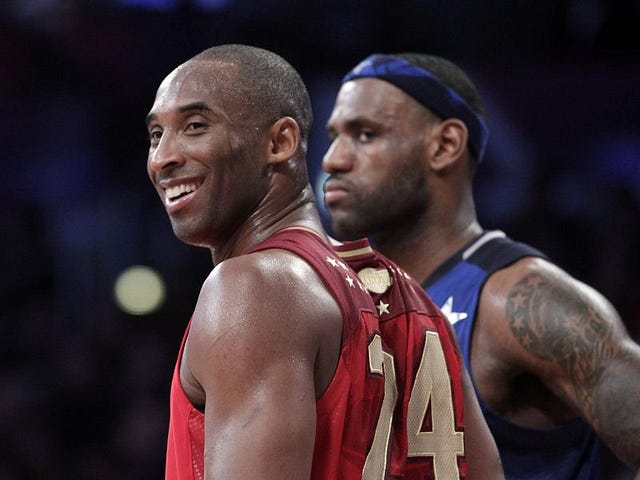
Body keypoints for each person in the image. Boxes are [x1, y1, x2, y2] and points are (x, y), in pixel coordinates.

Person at [145, 44, 502, 479]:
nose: (163, 157)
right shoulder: (419, 304)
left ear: (280, 142)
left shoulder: (253, 288)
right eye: (156, 135)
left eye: (195, 126)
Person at [322, 52, 640, 479]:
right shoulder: (344, 301)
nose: (333, 160)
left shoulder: (523, 301)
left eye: (364, 135)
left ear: (445, 146)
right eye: (334, 136)